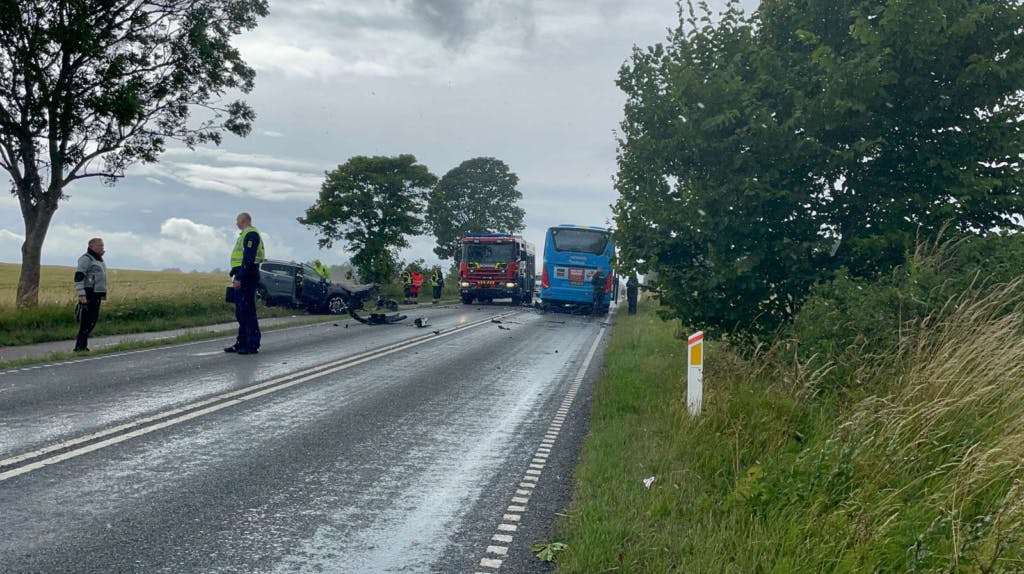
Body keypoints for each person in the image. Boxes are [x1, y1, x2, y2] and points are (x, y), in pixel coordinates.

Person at [226, 212, 265, 355]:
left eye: (237, 220)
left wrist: (240, 277)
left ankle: (252, 344)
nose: (236, 223)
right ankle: (241, 342)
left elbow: (248, 258)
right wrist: (234, 271)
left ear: (244, 220)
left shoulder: (251, 234)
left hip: (247, 275)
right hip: (243, 273)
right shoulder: (245, 234)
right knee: (241, 312)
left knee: (247, 311)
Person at [73, 237, 107, 352]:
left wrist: (103, 293)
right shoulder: (86, 259)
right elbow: (79, 276)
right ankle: (79, 347)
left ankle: (83, 346)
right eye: (100, 245)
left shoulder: (98, 259)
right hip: (89, 293)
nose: (102, 247)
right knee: (86, 321)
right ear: (92, 246)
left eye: (102, 245)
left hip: (96, 293)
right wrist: (81, 294)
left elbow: (100, 277)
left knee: (92, 321)